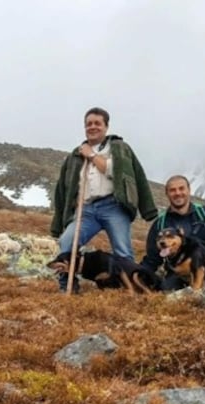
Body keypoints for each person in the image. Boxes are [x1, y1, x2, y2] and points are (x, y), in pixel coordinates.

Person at [50, 107, 158, 292]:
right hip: (87, 210)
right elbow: (63, 188)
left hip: (113, 206)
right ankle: (67, 286)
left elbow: (125, 174)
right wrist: (65, 212)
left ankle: (130, 287)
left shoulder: (119, 148)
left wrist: (91, 155)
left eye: (97, 123)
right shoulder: (75, 156)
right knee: (67, 242)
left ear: (106, 127)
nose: (92, 127)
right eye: (88, 124)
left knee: (123, 252)